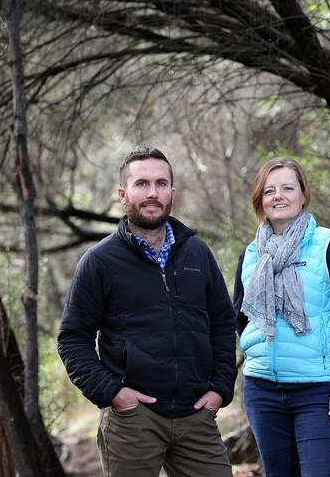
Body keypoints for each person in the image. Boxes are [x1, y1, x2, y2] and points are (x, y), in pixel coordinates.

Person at [58, 146, 236, 477]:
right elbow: (73, 338)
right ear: (123, 193)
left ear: (172, 192)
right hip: (133, 420)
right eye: (142, 184)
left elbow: (223, 324)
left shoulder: (197, 253)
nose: (152, 193)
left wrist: (220, 388)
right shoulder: (100, 262)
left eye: (161, 183)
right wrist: (112, 392)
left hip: (196, 414)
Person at [233, 157, 330, 477]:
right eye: (270, 191)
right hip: (263, 392)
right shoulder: (251, 255)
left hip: (319, 392)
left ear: (303, 195)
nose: (278, 196)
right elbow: (238, 316)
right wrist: (258, 352)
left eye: (287, 188)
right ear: (260, 201)